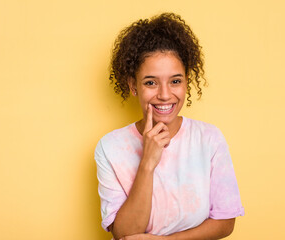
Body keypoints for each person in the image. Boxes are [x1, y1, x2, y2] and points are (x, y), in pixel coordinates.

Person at [94, 13, 244, 240]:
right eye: (151, 82)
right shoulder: (110, 148)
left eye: (175, 81)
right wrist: (147, 163)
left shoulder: (209, 139)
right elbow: (124, 233)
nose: (165, 95)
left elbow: (225, 222)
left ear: (186, 82)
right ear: (133, 86)